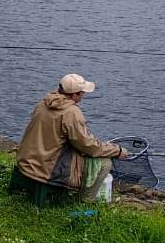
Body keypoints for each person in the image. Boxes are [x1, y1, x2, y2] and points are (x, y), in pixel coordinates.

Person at [12, 73, 128, 205]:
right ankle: (85, 200)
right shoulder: (72, 112)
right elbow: (88, 146)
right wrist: (117, 151)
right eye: (81, 93)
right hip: (44, 169)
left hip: (26, 161)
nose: (83, 96)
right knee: (105, 163)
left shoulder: (43, 103)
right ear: (74, 95)